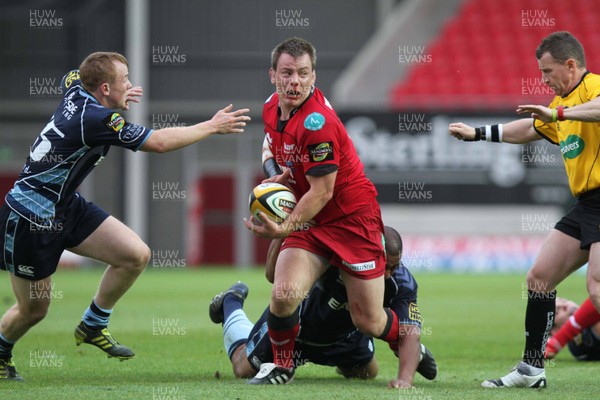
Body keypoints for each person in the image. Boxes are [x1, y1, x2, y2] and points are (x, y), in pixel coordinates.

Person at [0, 52, 250, 381]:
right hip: (30, 217)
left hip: (65, 206)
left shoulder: (78, 88)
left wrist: (114, 94)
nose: (131, 85)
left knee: (134, 255)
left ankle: (93, 325)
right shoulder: (98, 120)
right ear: (104, 88)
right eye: (125, 81)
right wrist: (212, 126)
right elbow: (158, 143)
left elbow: (74, 75)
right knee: (35, 309)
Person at [449, 31, 600, 388]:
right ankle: (532, 369)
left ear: (571, 65)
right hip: (587, 205)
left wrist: (558, 111)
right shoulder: (560, 103)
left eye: (548, 71)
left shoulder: (592, 89)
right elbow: (530, 129)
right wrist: (478, 134)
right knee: (539, 277)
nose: (544, 79)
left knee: (596, 289)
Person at [243, 37, 399, 385]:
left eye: (302, 73)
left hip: (350, 218)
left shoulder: (317, 123)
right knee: (282, 296)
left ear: (314, 77)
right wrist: (277, 177)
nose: (294, 81)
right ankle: (282, 366)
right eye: (286, 73)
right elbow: (271, 149)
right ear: (273, 75)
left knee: (369, 321)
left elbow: (323, 191)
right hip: (312, 219)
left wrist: (284, 228)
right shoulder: (271, 107)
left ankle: (410, 341)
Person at [209, 226, 438, 387]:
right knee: (242, 368)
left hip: (346, 337)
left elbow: (408, 329)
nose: (388, 274)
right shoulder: (332, 255)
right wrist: (285, 230)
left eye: (394, 267)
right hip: (295, 331)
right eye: (384, 265)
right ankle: (231, 302)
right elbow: (271, 274)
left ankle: (410, 352)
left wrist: (404, 381)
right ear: (369, 253)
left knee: (368, 373)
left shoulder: (402, 283)